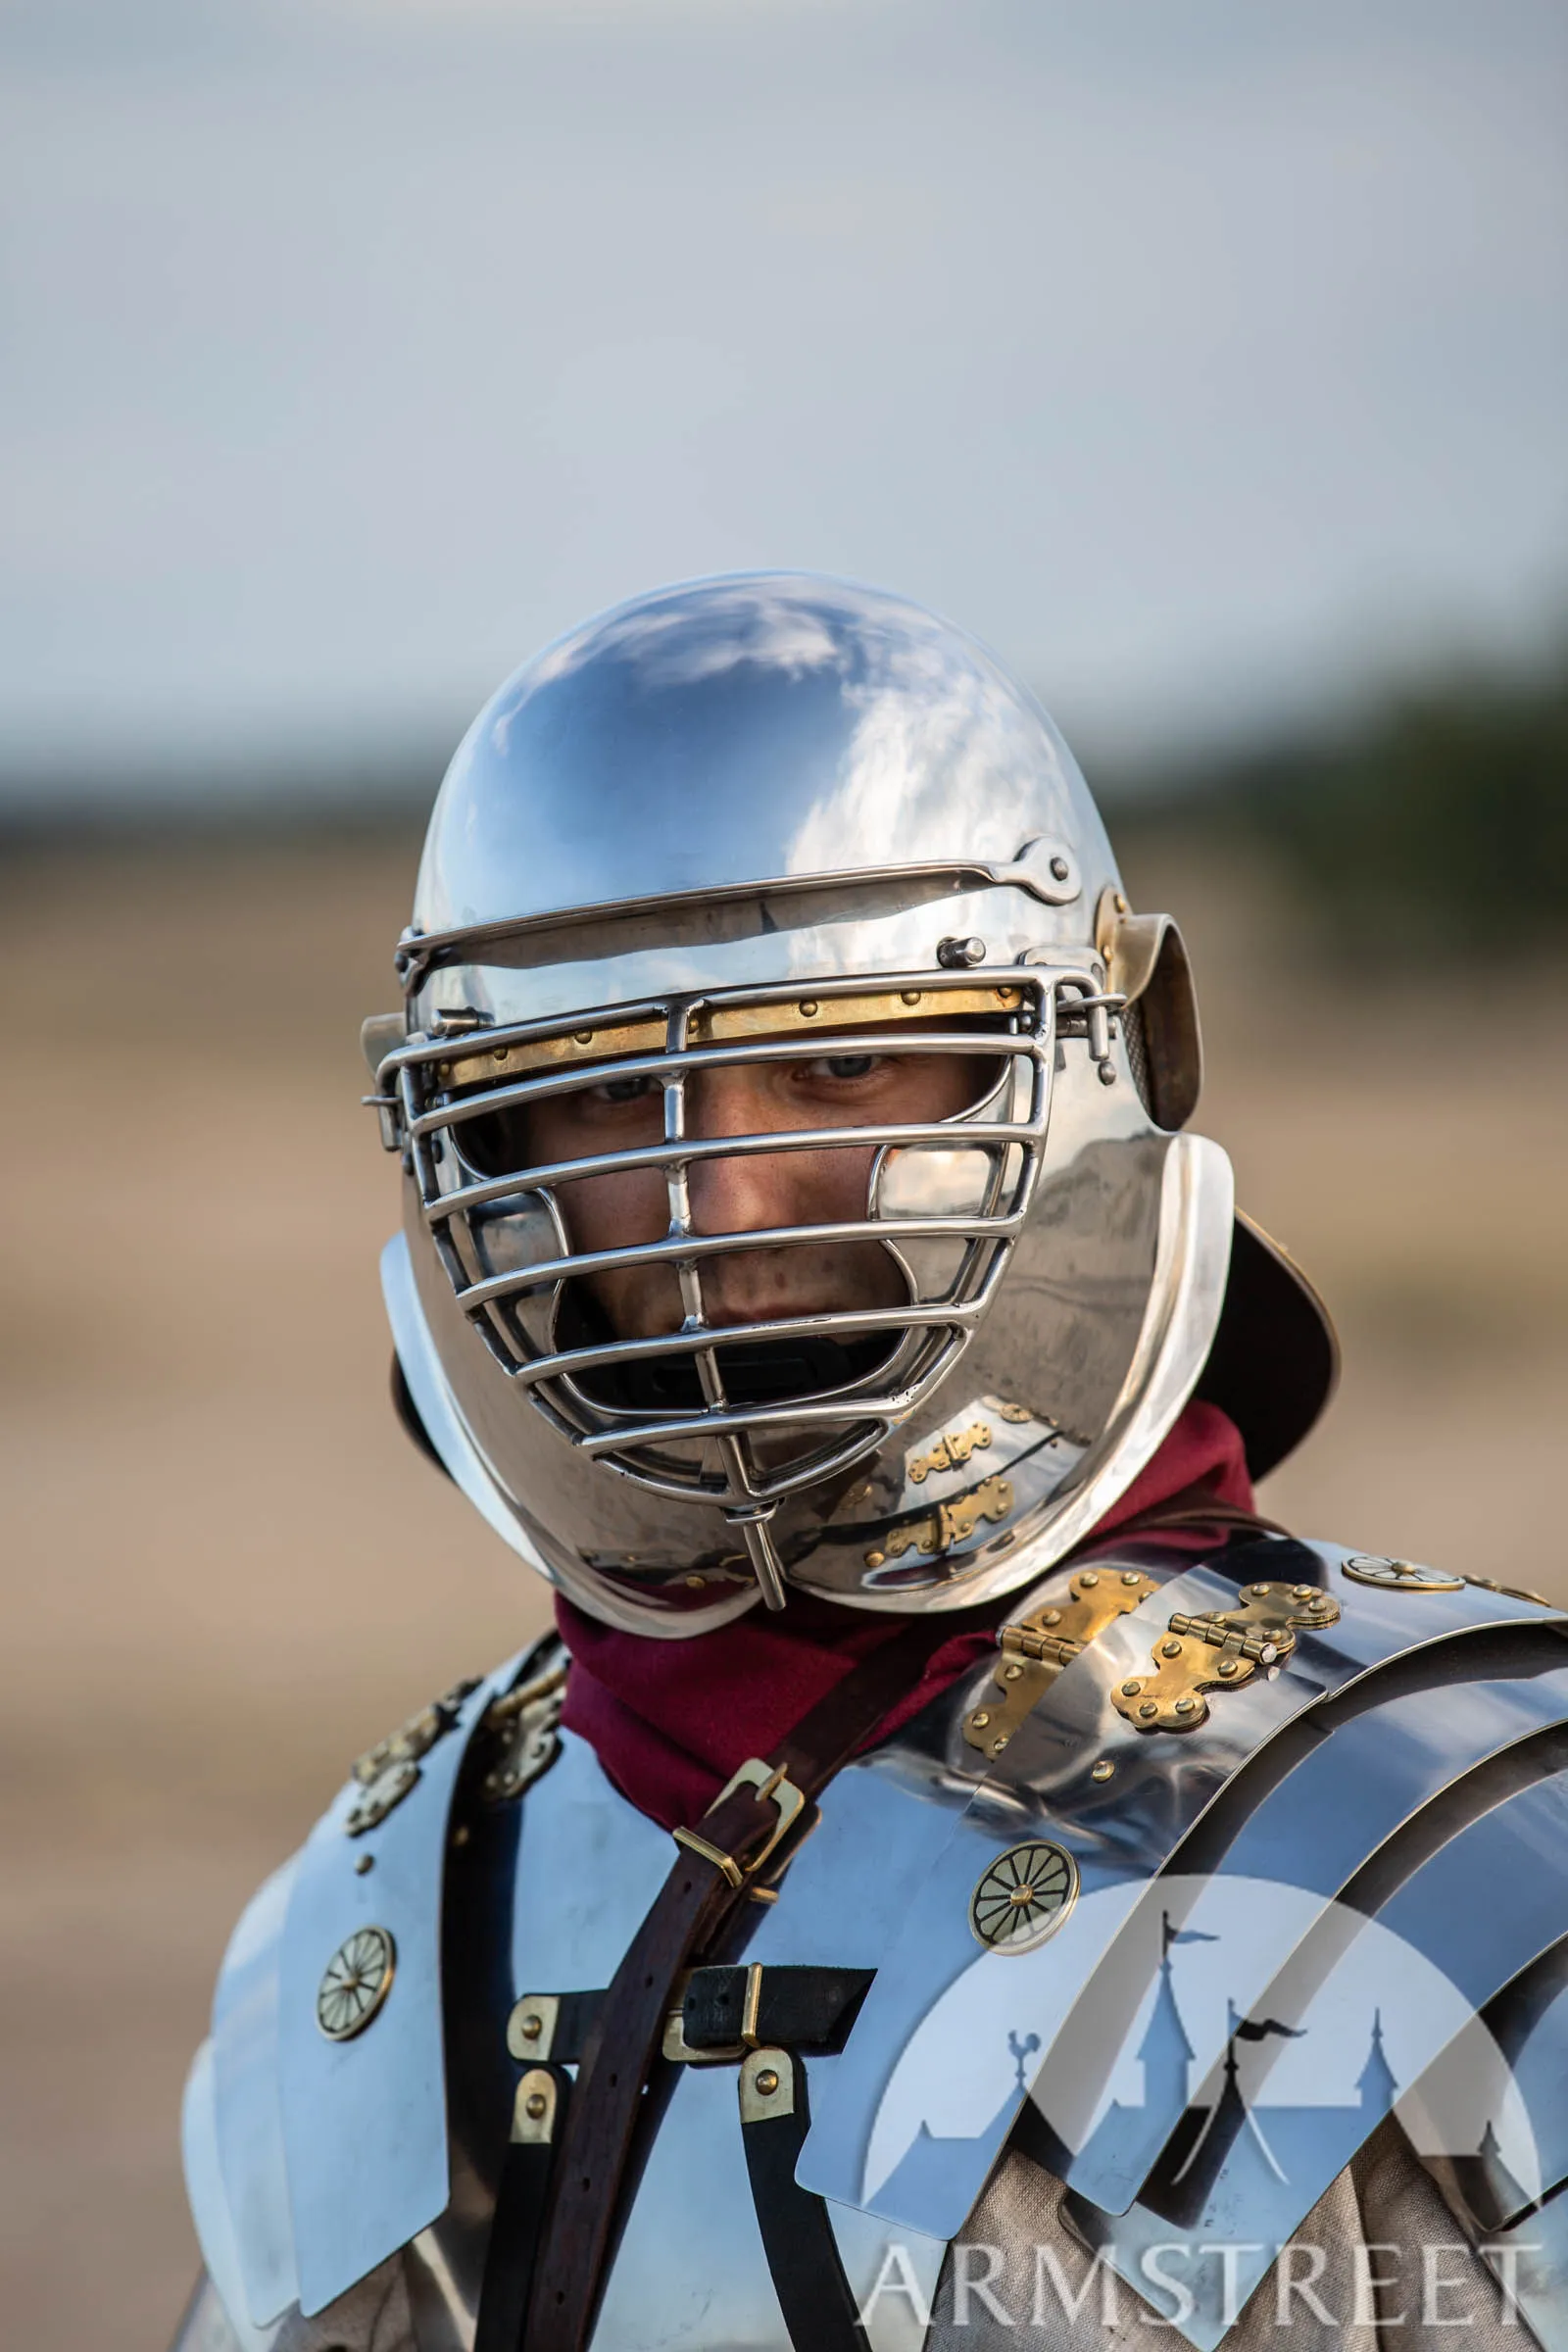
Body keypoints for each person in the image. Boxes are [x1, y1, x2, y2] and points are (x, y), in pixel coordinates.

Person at [173, 575, 1567, 2352]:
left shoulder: (1486, 1835)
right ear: (474, 1146)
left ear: (1089, 1057)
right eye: (609, 1099)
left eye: (834, 1075)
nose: (717, 1204)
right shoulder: (377, 1916)